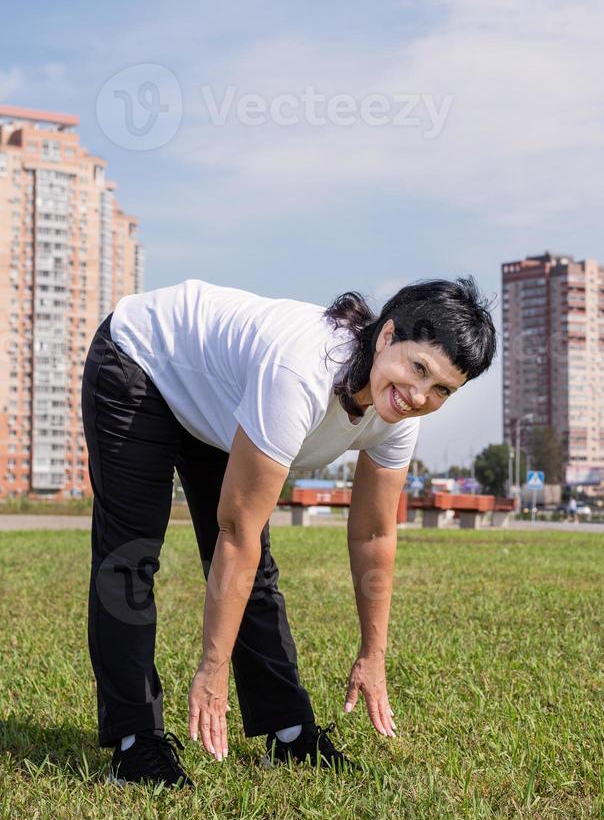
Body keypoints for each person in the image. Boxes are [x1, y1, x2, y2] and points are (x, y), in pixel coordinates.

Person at [81, 277, 496, 787]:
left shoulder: (398, 416)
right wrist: (212, 672)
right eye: (418, 369)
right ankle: (134, 741)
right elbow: (236, 532)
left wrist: (373, 654)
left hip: (218, 399)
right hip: (142, 360)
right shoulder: (299, 372)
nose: (418, 396)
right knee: (132, 555)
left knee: (255, 566)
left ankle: (288, 730)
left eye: (441, 391)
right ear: (387, 336)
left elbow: (373, 534)